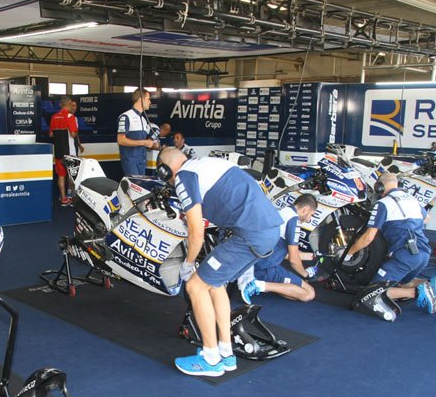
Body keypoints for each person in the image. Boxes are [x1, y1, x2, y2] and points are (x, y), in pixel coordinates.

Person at [158, 147, 282, 377]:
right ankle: (226, 353)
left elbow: (196, 232)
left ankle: (210, 358)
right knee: (215, 284)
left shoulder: (184, 176)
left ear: (165, 171)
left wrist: (187, 264)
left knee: (195, 286)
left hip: (248, 235)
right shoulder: (207, 164)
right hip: (268, 231)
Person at [343, 172, 436, 313]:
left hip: (405, 255)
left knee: (372, 292)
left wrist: (349, 253)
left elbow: (368, 237)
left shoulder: (383, 204)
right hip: (423, 253)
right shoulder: (411, 199)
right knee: (403, 282)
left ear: (379, 187)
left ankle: (417, 293)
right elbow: (426, 218)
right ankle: (431, 284)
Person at [237, 193, 318, 304]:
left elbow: (281, 251)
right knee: (309, 293)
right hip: (265, 267)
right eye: (311, 215)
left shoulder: (282, 212)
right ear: (306, 210)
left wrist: (306, 256)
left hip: (253, 261)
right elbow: (293, 260)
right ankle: (255, 285)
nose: (309, 219)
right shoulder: (294, 220)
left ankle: (261, 285)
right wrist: (306, 274)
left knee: (295, 292)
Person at [117, 89, 157, 176]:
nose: (150, 102)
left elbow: (145, 142)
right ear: (141, 99)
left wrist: (152, 143)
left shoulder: (143, 119)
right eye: (148, 99)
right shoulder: (125, 116)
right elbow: (121, 140)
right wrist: (144, 142)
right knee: (135, 184)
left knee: (141, 184)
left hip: (142, 161)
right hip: (130, 161)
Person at [49, 95, 79, 206]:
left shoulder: (54, 117)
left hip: (58, 150)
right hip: (70, 151)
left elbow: (51, 134)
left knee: (61, 175)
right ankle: (72, 197)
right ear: (69, 104)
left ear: (60, 104)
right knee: (72, 175)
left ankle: (63, 198)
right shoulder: (70, 116)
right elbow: (73, 134)